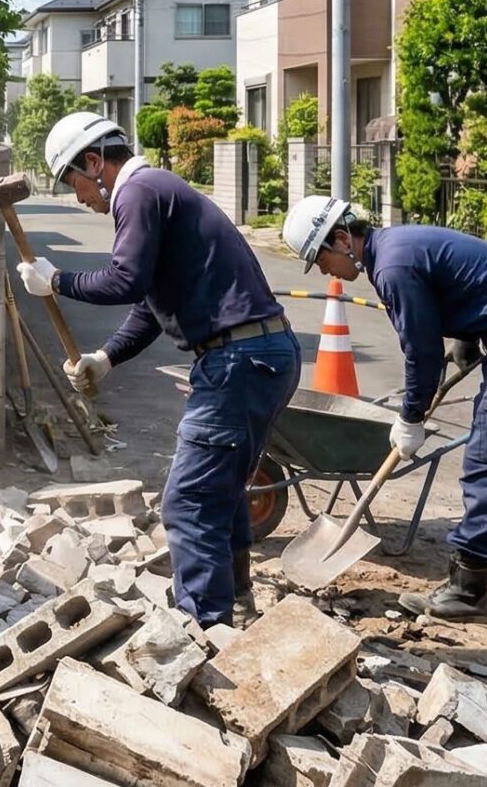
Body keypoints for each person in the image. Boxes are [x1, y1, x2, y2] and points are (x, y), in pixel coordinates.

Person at [18, 111, 299, 627]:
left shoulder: (138, 192)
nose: (80, 197)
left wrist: (57, 282)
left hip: (237, 362)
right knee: (221, 490)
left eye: (73, 182)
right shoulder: (159, 191)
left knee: (187, 503)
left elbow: (123, 280)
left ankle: (201, 629)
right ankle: (234, 603)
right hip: (261, 355)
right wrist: (106, 358)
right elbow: (148, 303)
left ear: (94, 161)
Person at [284, 195, 487, 620]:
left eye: (322, 258)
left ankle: (468, 590)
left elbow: (420, 354)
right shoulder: (398, 246)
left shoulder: (391, 267)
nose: (326, 270)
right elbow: (471, 282)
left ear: (343, 238)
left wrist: (411, 416)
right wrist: (470, 332)